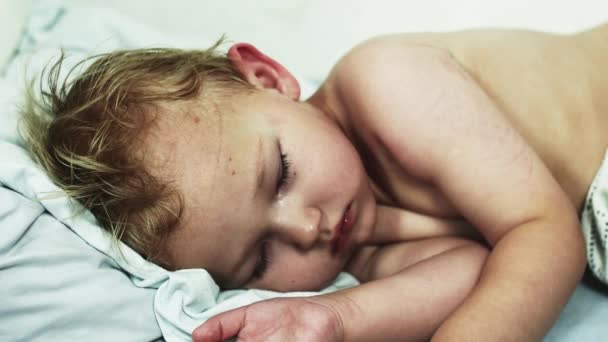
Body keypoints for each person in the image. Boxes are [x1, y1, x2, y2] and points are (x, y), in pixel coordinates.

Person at [21, 22, 608, 341]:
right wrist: (334, 317)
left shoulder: (386, 82)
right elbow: (483, 271)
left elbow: (543, 233)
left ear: (268, 77)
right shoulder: (353, 243)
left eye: (279, 175)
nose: (307, 228)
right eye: (258, 260)